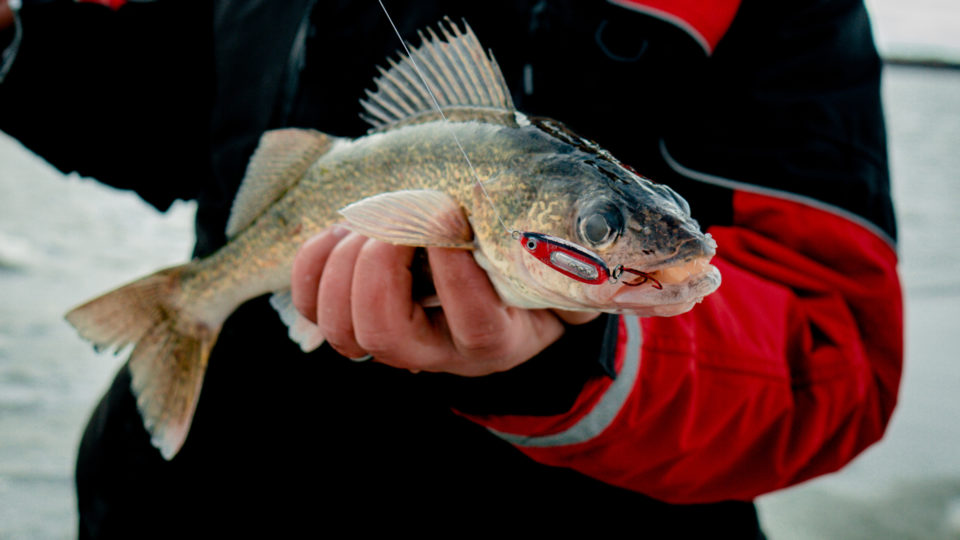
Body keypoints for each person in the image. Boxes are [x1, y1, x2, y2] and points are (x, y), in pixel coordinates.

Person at [0, 0, 902, 537]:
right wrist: (15, 39)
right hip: (188, 508)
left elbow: (834, 357)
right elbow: (163, 103)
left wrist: (569, 359)